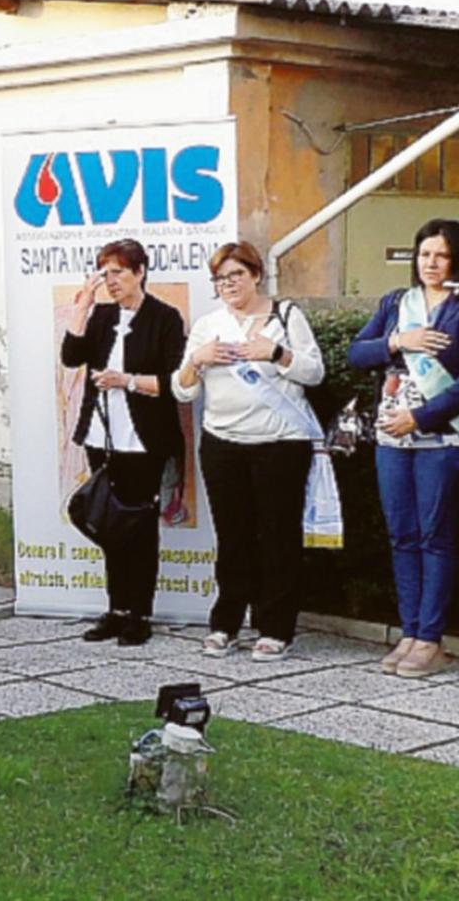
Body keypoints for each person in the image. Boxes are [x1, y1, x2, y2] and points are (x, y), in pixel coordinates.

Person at [171, 242, 323, 662]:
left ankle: (276, 627)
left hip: (280, 444)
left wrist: (276, 352)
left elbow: (315, 371)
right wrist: (197, 360)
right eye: (220, 279)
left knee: (278, 538)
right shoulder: (208, 325)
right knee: (233, 537)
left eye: (236, 275)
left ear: (256, 274)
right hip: (223, 444)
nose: (228, 285)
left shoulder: (286, 317)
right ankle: (225, 623)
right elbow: (182, 389)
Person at [347, 219, 459, 678]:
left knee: (434, 536)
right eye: (424, 254)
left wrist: (420, 418)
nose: (431, 264)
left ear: (457, 259)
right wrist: (397, 341)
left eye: (440, 255)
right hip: (391, 437)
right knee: (401, 535)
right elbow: (356, 353)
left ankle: (430, 637)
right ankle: (409, 631)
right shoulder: (396, 304)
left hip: (442, 438)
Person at [61, 239, 186, 647]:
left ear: (140, 272)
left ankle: (139, 612)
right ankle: (115, 608)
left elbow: (174, 382)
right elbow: (71, 355)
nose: (111, 281)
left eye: (118, 273)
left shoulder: (164, 318)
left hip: (143, 438)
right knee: (112, 523)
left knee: (139, 525)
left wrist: (125, 381)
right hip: (102, 435)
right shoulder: (100, 316)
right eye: (105, 273)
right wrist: (83, 304)